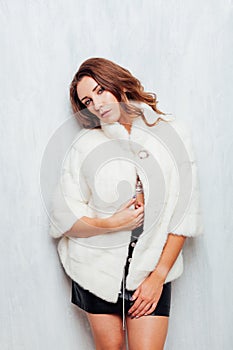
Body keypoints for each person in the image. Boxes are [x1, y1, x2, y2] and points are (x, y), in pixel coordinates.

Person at [49, 57, 203, 350]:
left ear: (116, 83)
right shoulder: (85, 145)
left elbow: (185, 214)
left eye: (100, 90)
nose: (96, 103)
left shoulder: (172, 133)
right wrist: (110, 223)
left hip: (150, 269)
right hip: (94, 269)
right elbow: (63, 218)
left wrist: (158, 276)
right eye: (87, 100)